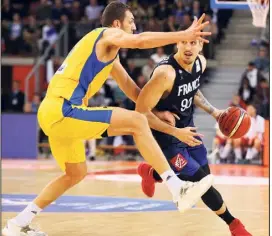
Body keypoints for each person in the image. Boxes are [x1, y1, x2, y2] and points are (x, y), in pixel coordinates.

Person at [3, 2, 214, 235]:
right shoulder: (104, 35)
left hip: (58, 115)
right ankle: (177, 187)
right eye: (131, 21)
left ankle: (18, 223)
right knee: (137, 122)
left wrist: (156, 112)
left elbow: (133, 91)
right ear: (116, 24)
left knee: (76, 174)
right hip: (63, 110)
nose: (134, 27)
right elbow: (141, 41)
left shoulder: (110, 56)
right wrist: (183, 34)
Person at [135, 31, 252, 235]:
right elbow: (140, 112)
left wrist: (214, 111)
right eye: (183, 42)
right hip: (166, 138)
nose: (188, 48)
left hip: (188, 130)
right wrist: (172, 129)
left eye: (193, 43)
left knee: (205, 178)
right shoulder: (166, 73)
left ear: (201, 46)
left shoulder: (200, 64)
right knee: (202, 184)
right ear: (176, 44)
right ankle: (234, 225)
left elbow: (192, 90)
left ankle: (152, 173)